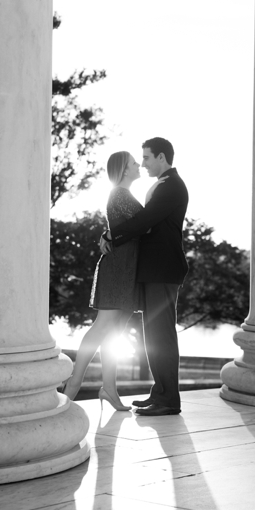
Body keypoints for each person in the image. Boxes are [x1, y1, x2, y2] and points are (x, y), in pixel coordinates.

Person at [100, 137, 189, 417]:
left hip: (163, 269)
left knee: (162, 334)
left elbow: (146, 220)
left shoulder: (172, 186)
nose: (144, 163)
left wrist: (112, 234)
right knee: (153, 335)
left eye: (147, 158)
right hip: (153, 270)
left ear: (161, 157)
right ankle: (160, 393)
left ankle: (168, 400)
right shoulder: (163, 185)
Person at [62, 151, 145, 411]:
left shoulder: (124, 194)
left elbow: (131, 228)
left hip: (127, 270)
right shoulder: (120, 194)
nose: (138, 164)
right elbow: (145, 225)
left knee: (114, 333)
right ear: (123, 170)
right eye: (133, 162)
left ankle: (109, 388)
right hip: (117, 270)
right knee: (103, 326)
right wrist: (109, 233)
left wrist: (108, 232)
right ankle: (75, 380)